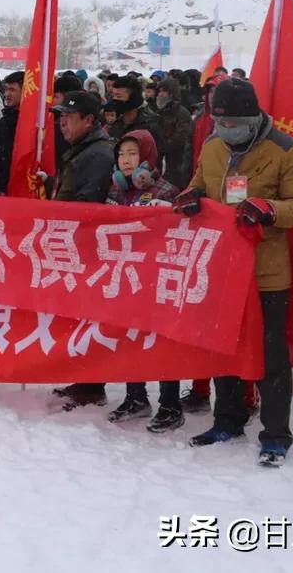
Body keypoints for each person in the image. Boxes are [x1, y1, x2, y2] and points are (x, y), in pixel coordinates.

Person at [175, 78, 293, 467]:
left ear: (253, 119)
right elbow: (200, 185)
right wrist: (191, 198)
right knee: (224, 349)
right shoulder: (214, 146)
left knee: (270, 357)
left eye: (234, 124)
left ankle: (276, 434)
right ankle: (228, 420)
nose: (226, 131)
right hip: (223, 269)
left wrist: (269, 209)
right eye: (221, 123)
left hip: (267, 272)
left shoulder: (285, 150)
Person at [100, 129, 185, 432]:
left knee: (160, 341)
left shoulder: (166, 191)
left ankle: (170, 405)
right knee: (130, 336)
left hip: (157, 278)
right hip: (126, 275)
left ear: (147, 158)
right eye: (121, 154)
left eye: (133, 154)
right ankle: (136, 397)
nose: (126, 160)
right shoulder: (115, 190)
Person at [46, 91, 117, 411]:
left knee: (90, 313)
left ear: (89, 120)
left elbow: (91, 204)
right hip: (71, 241)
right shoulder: (82, 149)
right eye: (59, 117)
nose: (62, 123)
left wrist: (65, 215)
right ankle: (85, 380)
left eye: (68, 117)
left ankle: (92, 384)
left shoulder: (99, 154)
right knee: (78, 313)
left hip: (86, 246)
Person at [152, 78, 193, 188]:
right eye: (159, 91)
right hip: (158, 160)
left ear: (172, 94)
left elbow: (181, 137)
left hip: (176, 162)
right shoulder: (155, 111)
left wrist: (162, 146)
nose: (160, 94)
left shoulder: (182, 113)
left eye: (164, 91)